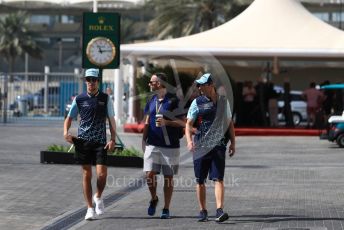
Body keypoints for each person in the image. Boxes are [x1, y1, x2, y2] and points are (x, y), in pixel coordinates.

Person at [63, 68, 116, 220]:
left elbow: (111, 120)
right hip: (83, 141)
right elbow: (69, 117)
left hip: (100, 141)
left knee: (102, 174)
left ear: (98, 81)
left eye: (94, 80)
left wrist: (112, 139)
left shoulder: (106, 98)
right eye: (88, 80)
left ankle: (98, 196)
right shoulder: (79, 99)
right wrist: (65, 132)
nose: (91, 82)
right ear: (85, 81)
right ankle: (89, 208)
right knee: (87, 174)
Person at [185, 73, 235, 223]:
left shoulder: (223, 101)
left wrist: (233, 142)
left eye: (202, 85)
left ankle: (219, 210)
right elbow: (188, 124)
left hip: (218, 146)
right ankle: (203, 210)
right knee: (200, 180)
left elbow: (229, 122)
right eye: (198, 85)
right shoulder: (197, 102)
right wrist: (189, 141)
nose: (199, 87)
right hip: (201, 146)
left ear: (210, 85)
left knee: (218, 178)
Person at [142, 72, 185, 219]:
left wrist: (167, 122)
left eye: (151, 82)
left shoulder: (174, 101)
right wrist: (143, 139)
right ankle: (154, 198)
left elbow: (183, 123)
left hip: (171, 145)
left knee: (168, 177)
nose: (149, 84)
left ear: (159, 83)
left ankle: (166, 208)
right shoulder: (151, 100)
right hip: (152, 143)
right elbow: (147, 121)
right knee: (149, 174)